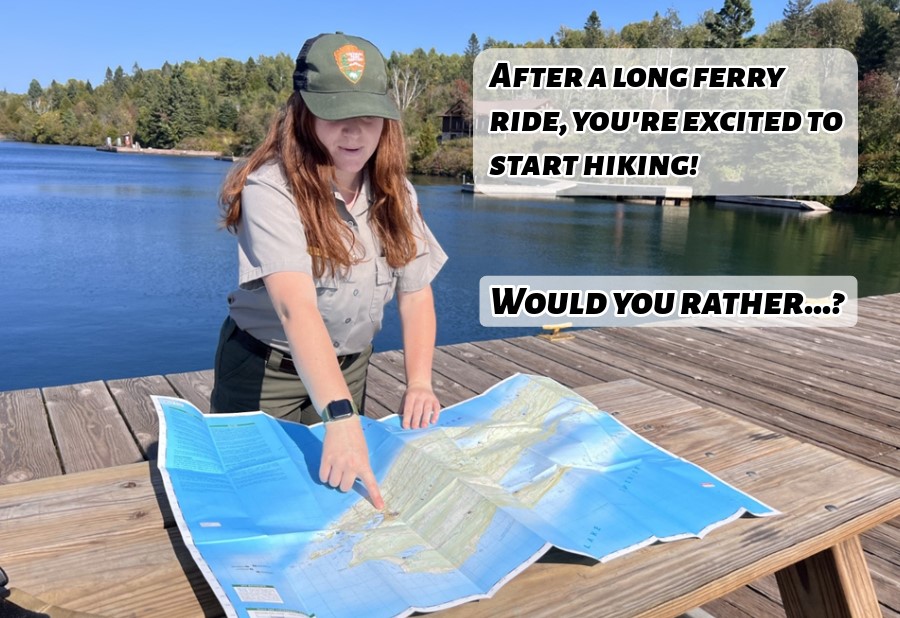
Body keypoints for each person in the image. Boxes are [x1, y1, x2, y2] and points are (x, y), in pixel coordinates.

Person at [209, 32, 447, 510]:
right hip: (265, 369)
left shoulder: (397, 192)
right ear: (303, 113)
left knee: (337, 500)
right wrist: (341, 419)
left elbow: (415, 293)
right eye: (335, 115)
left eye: (367, 116)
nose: (354, 133)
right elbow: (297, 310)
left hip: (349, 369)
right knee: (256, 503)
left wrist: (419, 381)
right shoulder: (270, 189)